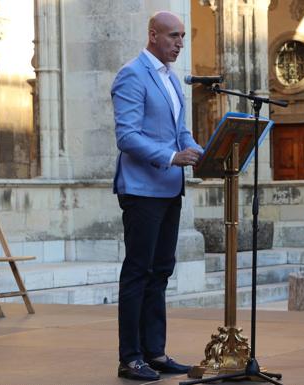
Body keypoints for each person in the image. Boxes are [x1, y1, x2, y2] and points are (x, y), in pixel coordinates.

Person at [111, 11, 203, 381]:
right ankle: (130, 357)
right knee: (138, 271)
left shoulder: (170, 79)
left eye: (182, 36)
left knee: (161, 272)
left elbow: (180, 131)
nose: (180, 43)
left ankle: (155, 352)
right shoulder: (132, 74)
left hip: (169, 188)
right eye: (174, 36)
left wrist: (201, 151)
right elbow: (127, 136)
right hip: (142, 189)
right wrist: (171, 157)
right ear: (153, 35)